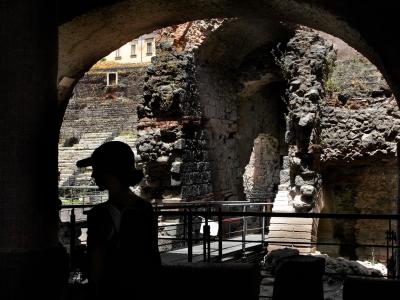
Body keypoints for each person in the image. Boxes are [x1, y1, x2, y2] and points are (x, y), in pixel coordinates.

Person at [76, 141, 160, 299]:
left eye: (96, 169)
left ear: (108, 170)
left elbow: (97, 270)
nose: (93, 175)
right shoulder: (145, 208)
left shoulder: (100, 214)